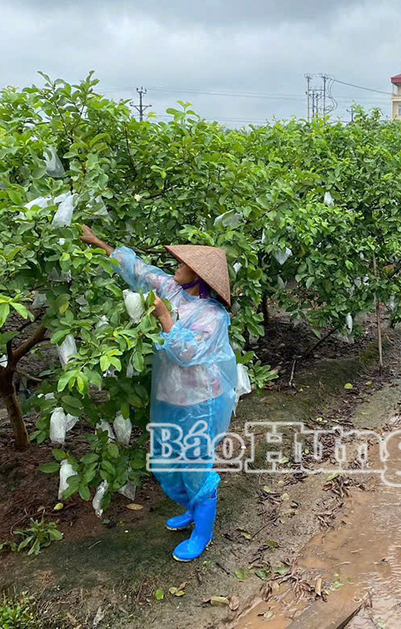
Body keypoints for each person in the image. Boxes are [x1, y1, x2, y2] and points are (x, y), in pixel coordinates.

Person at [80, 225, 238, 562]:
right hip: (170, 397)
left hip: (200, 403)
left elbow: (187, 353)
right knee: (167, 465)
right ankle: (193, 508)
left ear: (197, 277)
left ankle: (203, 531)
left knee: (195, 466)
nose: (174, 268)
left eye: (182, 266)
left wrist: (165, 319)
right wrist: (99, 244)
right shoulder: (173, 291)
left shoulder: (214, 317)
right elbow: (140, 271)